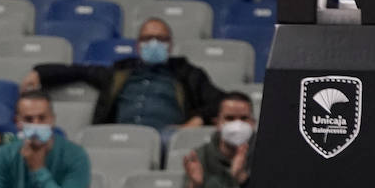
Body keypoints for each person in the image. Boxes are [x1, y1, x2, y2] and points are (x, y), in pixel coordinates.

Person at [22, 18, 224, 131]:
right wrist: (40, 72)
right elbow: (79, 70)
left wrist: (195, 121)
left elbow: (220, 101)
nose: (153, 44)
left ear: (170, 45)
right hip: (116, 133)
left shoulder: (187, 73)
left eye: (160, 39)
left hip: (165, 136)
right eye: (147, 39)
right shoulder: (119, 73)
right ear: (138, 45)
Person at [0, 90, 90, 188]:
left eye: (42, 118)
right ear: (18, 122)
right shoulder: (3, 155)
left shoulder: (75, 155)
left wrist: (38, 170)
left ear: (52, 119)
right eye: (29, 119)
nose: (36, 124)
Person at [176, 92, 254, 188]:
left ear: (252, 122)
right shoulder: (200, 156)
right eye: (230, 118)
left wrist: (242, 179)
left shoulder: (265, 155)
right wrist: (194, 187)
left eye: (244, 118)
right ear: (217, 122)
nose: (237, 125)